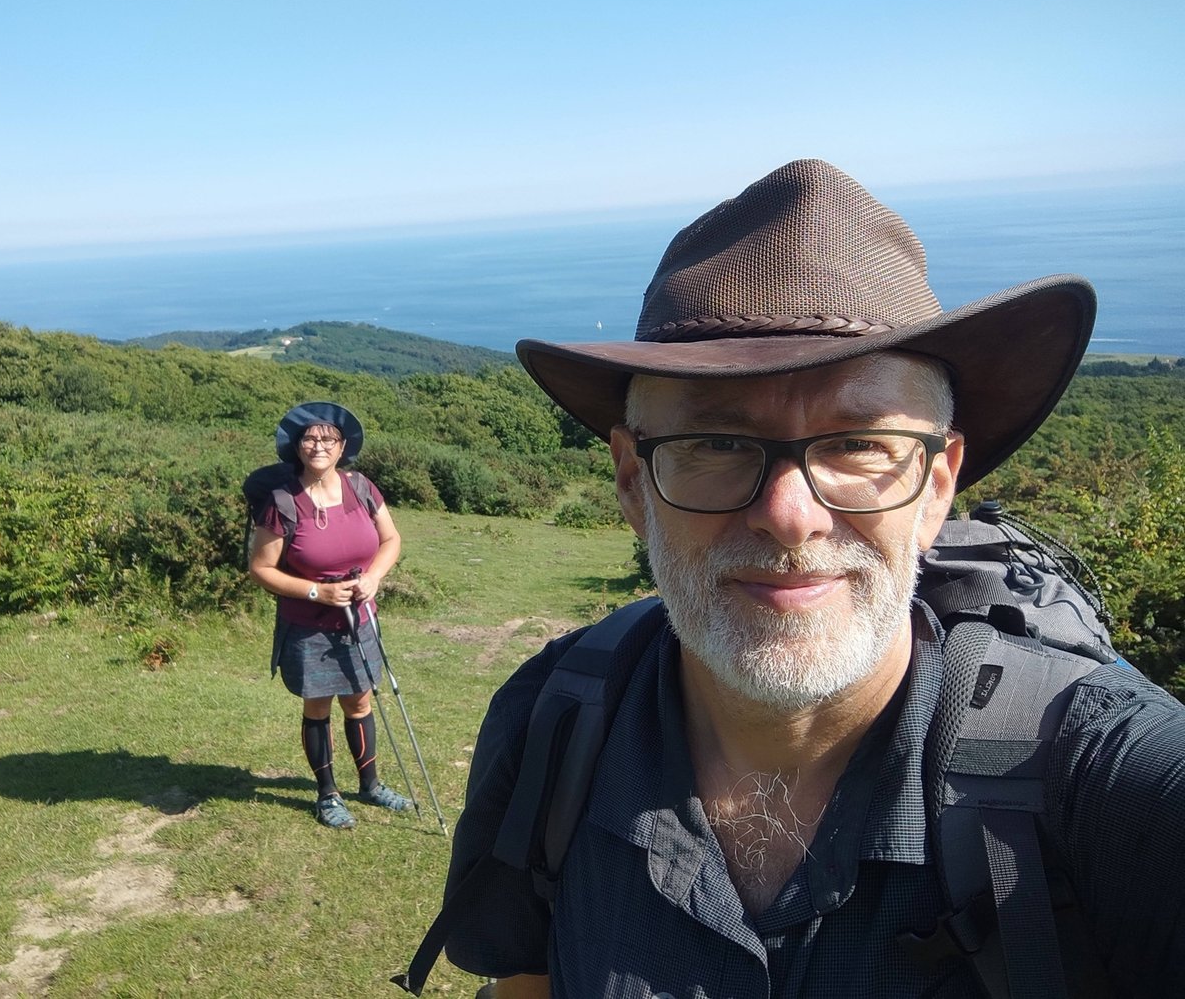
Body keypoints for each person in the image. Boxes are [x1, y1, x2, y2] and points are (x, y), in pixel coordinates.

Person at [440, 159, 1185, 996]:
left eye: (859, 443)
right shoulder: (551, 722)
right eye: (718, 443)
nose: (790, 516)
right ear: (632, 483)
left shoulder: (1110, 787)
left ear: (937, 487)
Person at [248, 401, 413, 829]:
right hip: (309, 626)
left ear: (342, 447)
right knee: (318, 705)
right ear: (297, 447)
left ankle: (370, 785)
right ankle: (328, 795)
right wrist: (317, 591)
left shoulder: (361, 488)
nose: (319, 445)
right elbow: (261, 569)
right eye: (310, 438)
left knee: (359, 700)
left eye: (328, 439)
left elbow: (391, 539)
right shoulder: (282, 503)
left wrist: (373, 577)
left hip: (360, 619)